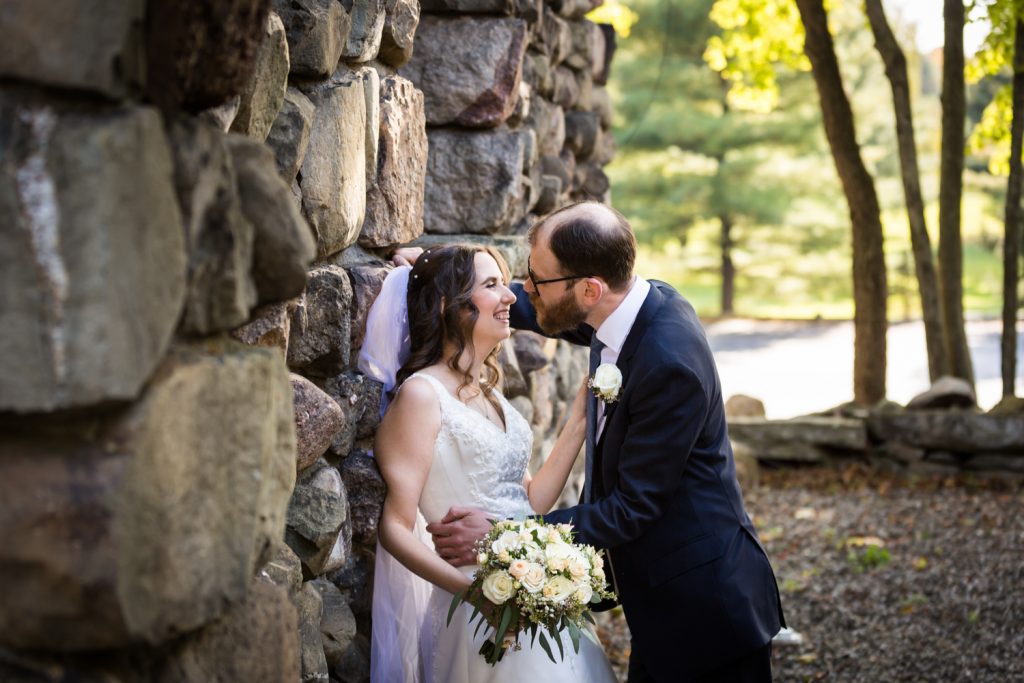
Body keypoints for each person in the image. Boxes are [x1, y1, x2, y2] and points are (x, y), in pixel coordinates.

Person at [423, 202, 785, 682]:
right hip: (663, 600)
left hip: (703, 609)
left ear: (589, 288)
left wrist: (499, 537)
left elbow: (632, 508)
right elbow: (552, 311)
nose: (526, 287)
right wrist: (456, 288)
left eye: (537, 278)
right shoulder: (630, 305)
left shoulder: (668, 364)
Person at [363, 244, 616, 683]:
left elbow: (529, 501)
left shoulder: (492, 396)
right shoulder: (422, 395)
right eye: (492, 285)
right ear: (449, 305)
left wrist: (577, 422)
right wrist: (479, 595)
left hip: (531, 589)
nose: (512, 297)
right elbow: (396, 528)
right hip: (477, 605)